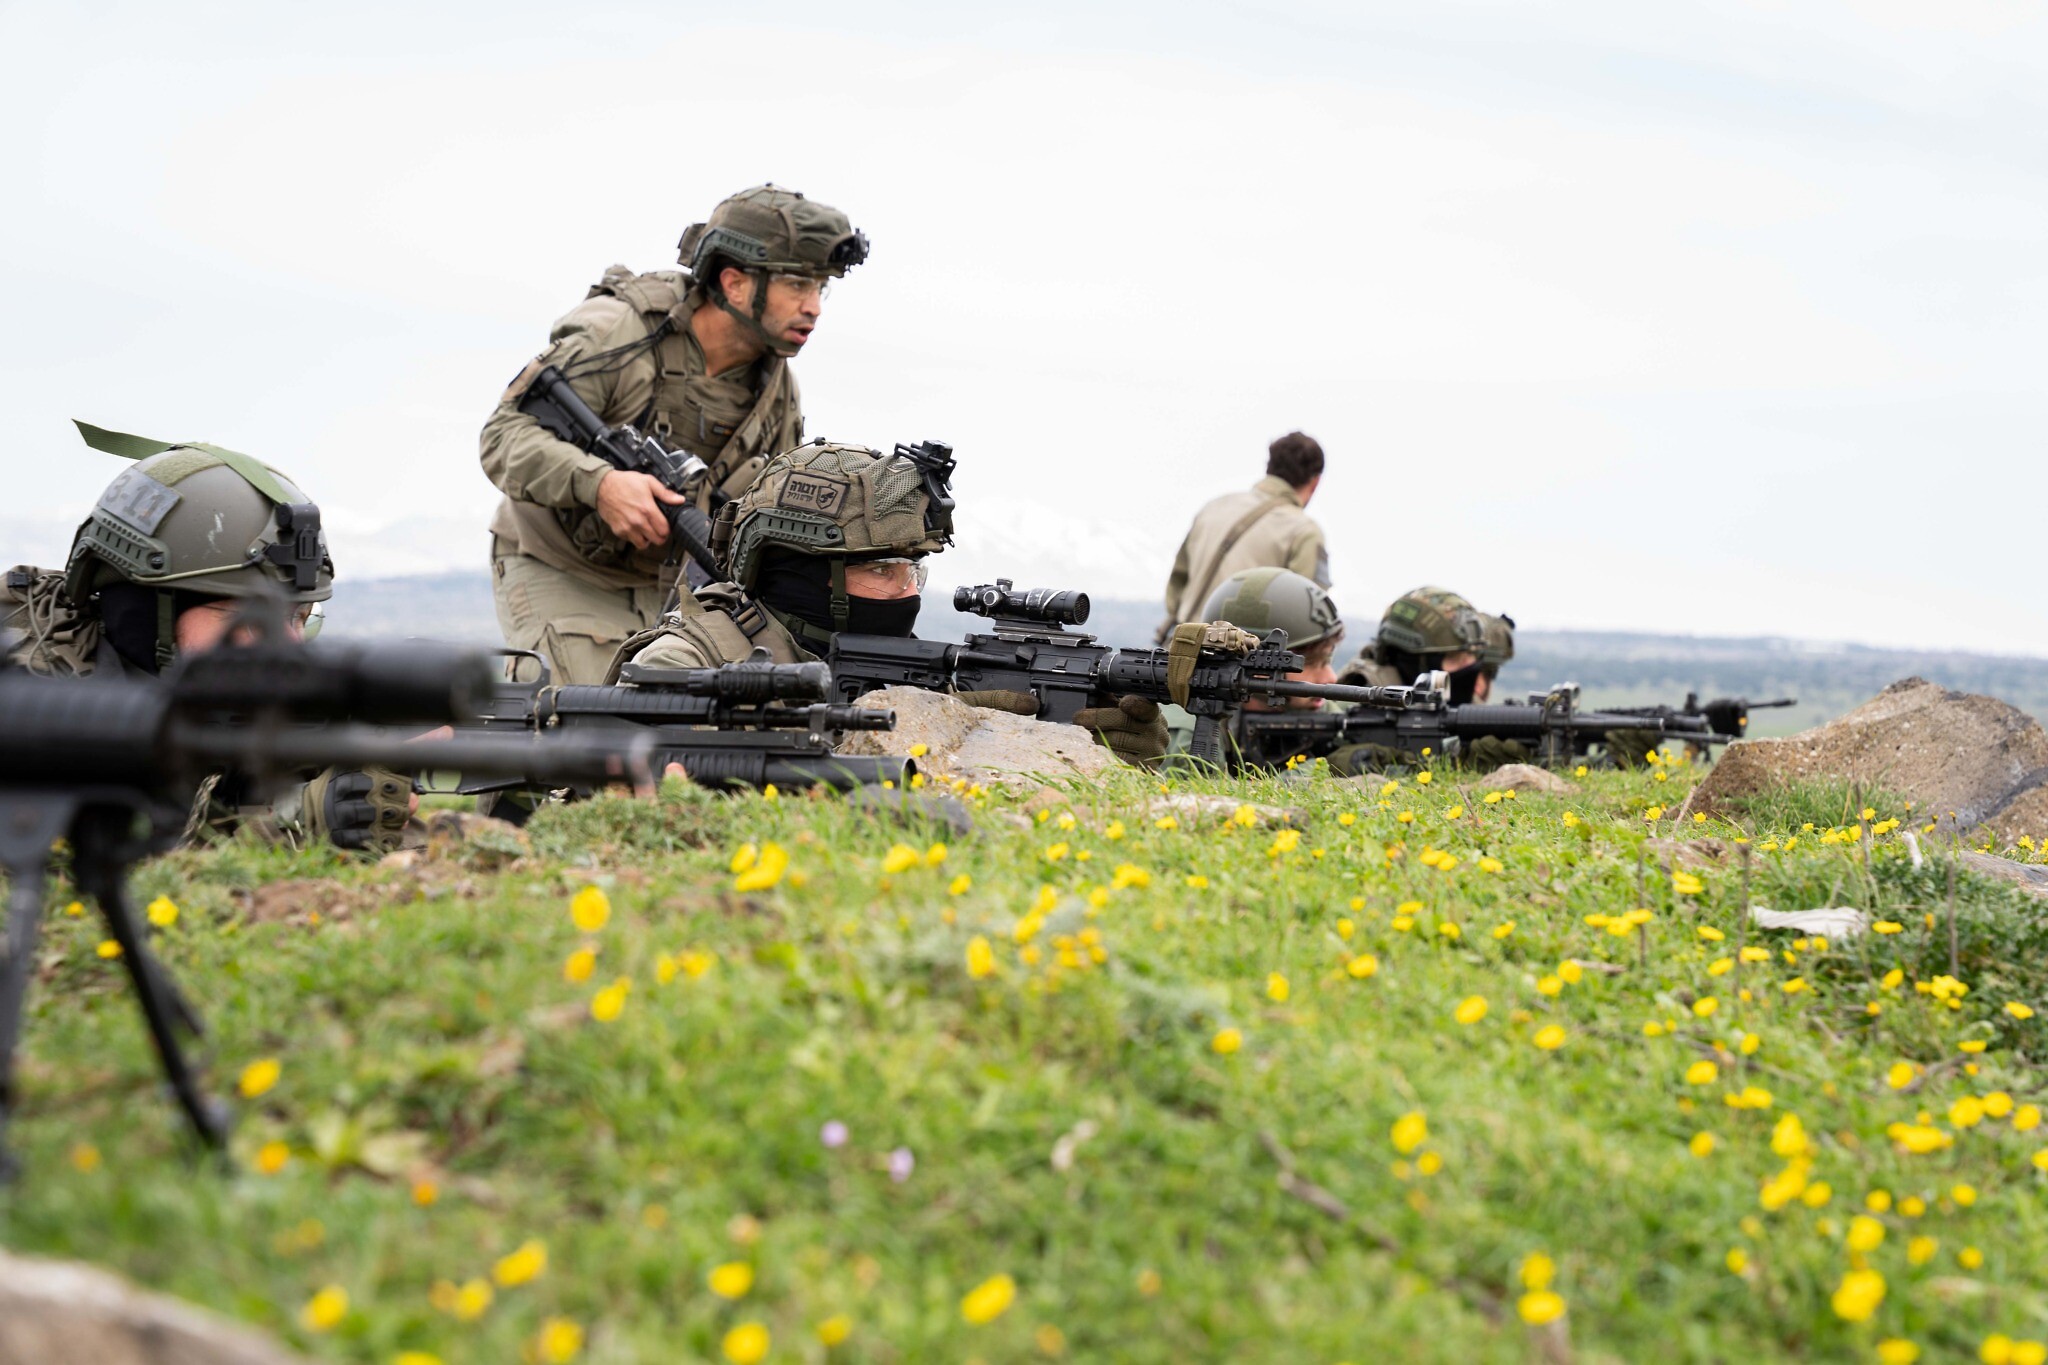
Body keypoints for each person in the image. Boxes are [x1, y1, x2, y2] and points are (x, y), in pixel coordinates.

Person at [482, 184, 867, 684]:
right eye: (797, 285)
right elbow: (503, 436)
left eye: (821, 287)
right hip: (563, 567)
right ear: (734, 283)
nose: (814, 306)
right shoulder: (622, 333)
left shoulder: (776, 393)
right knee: (585, 732)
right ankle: (388, 755)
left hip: (674, 586)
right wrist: (599, 485)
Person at [611, 440, 1169, 768]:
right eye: (880, 570)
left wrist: (1067, 747)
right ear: (797, 569)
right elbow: (634, 803)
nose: (907, 593)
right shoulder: (682, 667)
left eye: (913, 570)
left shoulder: (903, 672)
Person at [1, 423, 409, 852]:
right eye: (251, 620)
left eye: (300, 618)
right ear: (145, 613)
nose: (288, 649)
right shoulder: (28, 702)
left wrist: (341, 812)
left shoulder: (216, 707)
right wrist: (303, 823)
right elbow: (75, 885)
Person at [1159, 431, 1330, 641]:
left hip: (1181, 650)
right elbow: (1307, 617)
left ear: (1270, 468)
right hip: (1243, 663)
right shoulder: (1304, 530)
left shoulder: (1214, 508)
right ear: (1315, 482)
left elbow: (1177, 582)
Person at [1161, 567, 1344, 760]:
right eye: (1310, 663)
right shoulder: (1185, 729)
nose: (1330, 677)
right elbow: (1209, 789)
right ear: (1254, 663)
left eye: (1327, 660)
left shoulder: (1307, 707)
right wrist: (1325, 770)